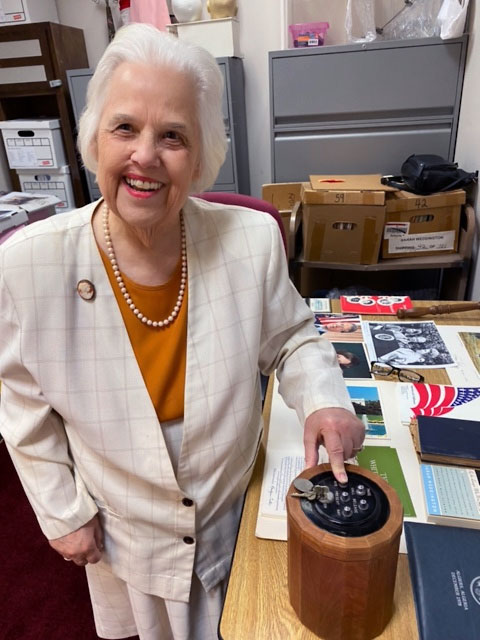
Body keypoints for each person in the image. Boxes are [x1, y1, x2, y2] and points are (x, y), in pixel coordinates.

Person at [0, 24, 364, 640]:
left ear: (199, 159)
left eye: (172, 135)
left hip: (232, 505)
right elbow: (21, 398)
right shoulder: (27, 264)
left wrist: (325, 398)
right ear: (93, 140)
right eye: (125, 128)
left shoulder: (250, 240)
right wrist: (61, 510)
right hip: (125, 527)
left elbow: (293, 335)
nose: (145, 155)